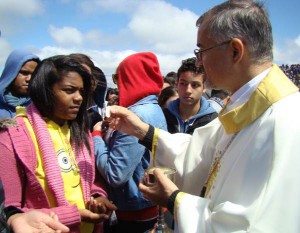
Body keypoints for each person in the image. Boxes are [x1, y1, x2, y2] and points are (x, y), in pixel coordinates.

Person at [102, 0, 300, 232]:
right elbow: (198, 153)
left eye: (201, 51)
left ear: (235, 51)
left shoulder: (280, 121)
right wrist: (141, 130)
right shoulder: (245, 104)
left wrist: (174, 199)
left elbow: (246, 227)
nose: (198, 62)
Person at [0, 55, 116, 233]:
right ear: (45, 90)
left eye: (82, 92)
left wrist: (97, 197)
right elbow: (12, 209)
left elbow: (89, 179)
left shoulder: (80, 131)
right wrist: (73, 214)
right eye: (69, 90)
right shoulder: (14, 136)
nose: (78, 98)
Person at [93, 52, 167, 233]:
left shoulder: (137, 114)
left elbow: (115, 174)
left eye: (119, 78)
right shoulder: (153, 108)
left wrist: (97, 137)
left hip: (135, 215)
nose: (118, 86)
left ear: (131, 78)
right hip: (148, 206)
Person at [163, 57, 217, 134]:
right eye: (183, 83)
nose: (188, 90)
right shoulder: (163, 116)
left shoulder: (213, 122)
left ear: (204, 87)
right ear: (176, 84)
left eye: (194, 85)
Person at [0, 49, 40, 118]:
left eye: (34, 75)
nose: (29, 79)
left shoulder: (40, 107)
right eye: (24, 73)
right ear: (10, 72)